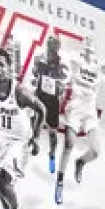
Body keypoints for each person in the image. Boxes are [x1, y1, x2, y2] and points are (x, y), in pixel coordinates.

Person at [0, 45, 45, 209]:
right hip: (0, 139)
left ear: (9, 67)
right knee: (1, 187)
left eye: (1, 64)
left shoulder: (19, 91)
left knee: (1, 180)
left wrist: (36, 137)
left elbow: (41, 109)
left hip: (21, 141)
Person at [53, 34, 105, 206]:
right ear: (83, 45)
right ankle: (59, 182)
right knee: (69, 144)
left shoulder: (98, 65)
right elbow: (61, 57)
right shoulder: (75, 58)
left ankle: (80, 162)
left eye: (91, 42)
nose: (89, 45)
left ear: (95, 48)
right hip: (75, 106)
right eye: (86, 41)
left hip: (89, 110)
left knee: (96, 151)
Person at [27, 33, 67, 171]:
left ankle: (52, 155)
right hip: (40, 97)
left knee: (52, 133)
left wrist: (60, 87)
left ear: (58, 48)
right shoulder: (38, 58)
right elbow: (34, 75)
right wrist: (35, 80)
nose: (52, 47)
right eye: (50, 44)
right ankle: (31, 146)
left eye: (55, 45)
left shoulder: (61, 63)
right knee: (33, 125)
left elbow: (63, 82)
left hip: (53, 101)